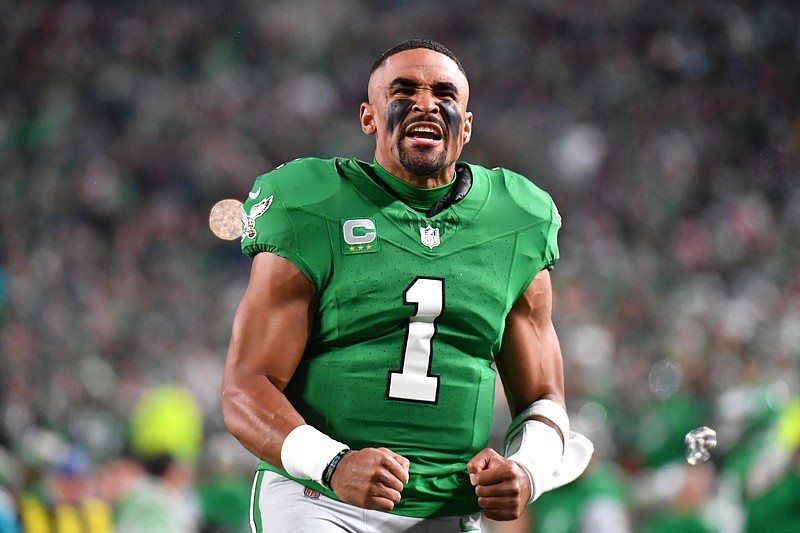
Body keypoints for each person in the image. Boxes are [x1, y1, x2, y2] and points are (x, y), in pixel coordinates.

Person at [221, 38, 592, 533]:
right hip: (319, 500)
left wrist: (527, 470)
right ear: (369, 117)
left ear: (467, 123)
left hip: (446, 508)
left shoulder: (518, 218)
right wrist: (332, 464)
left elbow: (543, 397)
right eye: (403, 90)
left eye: (444, 93)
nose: (425, 103)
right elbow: (246, 387)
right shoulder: (310, 204)